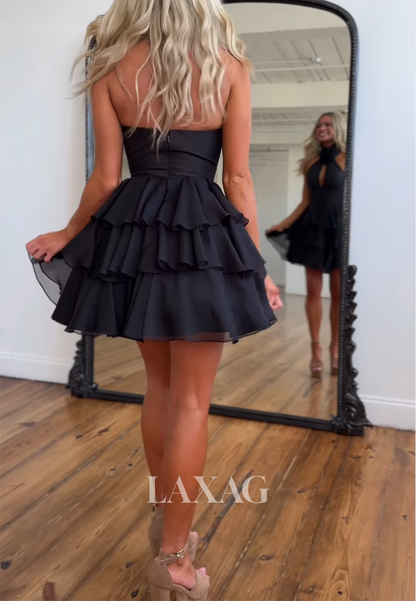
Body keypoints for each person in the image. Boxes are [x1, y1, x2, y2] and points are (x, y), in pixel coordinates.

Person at [25, 1, 283, 599]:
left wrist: (68, 232)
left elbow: (106, 178)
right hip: (201, 236)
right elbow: (236, 179)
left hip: (137, 234)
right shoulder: (228, 66)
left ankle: (166, 521)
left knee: (161, 390)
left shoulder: (110, 66)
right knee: (192, 402)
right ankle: (174, 559)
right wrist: (255, 264)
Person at [266, 112, 346, 378]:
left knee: (338, 293)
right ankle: (316, 350)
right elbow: (305, 202)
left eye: (328, 124)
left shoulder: (348, 160)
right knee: (313, 291)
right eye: (319, 125)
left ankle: (336, 348)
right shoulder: (311, 163)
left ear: (338, 128)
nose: (322, 128)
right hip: (314, 230)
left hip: (339, 231)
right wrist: (283, 224)